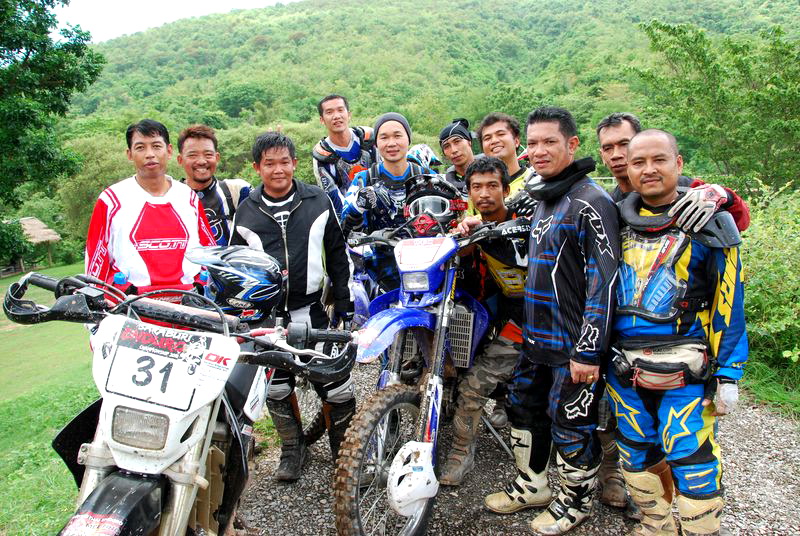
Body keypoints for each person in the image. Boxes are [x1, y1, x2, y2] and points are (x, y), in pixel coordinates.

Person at [484, 107, 620, 535]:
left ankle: (575, 501)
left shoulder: (591, 202)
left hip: (574, 344)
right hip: (535, 337)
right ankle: (533, 485)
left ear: (572, 144)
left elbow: (604, 283)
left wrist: (589, 350)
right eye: (533, 143)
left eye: (550, 142)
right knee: (523, 407)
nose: (539, 151)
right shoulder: (544, 197)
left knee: (571, 423)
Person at [609, 129, 747, 536]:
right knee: (634, 453)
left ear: (678, 163)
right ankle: (657, 525)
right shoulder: (611, 220)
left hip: (688, 366)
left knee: (691, 455)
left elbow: (728, 302)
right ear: (627, 169)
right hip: (622, 367)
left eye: (659, 160)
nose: (649, 169)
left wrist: (729, 374)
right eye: (638, 162)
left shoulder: (711, 221)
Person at [230, 131, 355, 481]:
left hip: (312, 310)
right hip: (268, 317)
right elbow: (237, 266)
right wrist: (240, 313)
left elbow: (338, 254)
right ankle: (293, 448)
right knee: (277, 387)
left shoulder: (317, 200)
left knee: (336, 384)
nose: (278, 170)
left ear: (295, 163)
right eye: (269, 163)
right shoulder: (246, 211)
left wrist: (344, 304)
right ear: (257, 168)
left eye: (284, 162)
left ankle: (344, 449)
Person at [439, 156, 530, 486]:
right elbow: (455, 259)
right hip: (508, 320)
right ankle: (461, 451)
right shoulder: (471, 228)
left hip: (547, 319)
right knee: (469, 382)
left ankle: (607, 471)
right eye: (476, 187)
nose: (484, 193)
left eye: (492, 185)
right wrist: (461, 238)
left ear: (506, 189)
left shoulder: (530, 220)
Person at [85, 119, 215, 300]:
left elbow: (209, 252)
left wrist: (202, 285)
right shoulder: (112, 199)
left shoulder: (188, 197)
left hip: (190, 303)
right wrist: (98, 301)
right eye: (140, 148)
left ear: (169, 150)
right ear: (129, 154)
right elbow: (96, 260)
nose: (150, 154)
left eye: (156, 146)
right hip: (132, 305)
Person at [596, 112, 750, 231]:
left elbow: (741, 222)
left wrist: (726, 196)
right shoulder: (609, 203)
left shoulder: (690, 189)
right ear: (601, 155)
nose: (616, 154)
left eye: (624, 144)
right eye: (608, 148)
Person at [341, 112, 431, 289]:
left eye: (397, 136)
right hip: (379, 274)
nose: (391, 143)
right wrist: (358, 206)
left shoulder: (428, 177)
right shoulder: (363, 180)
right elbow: (346, 232)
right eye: (384, 137)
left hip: (425, 269)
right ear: (376, 143)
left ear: (408, 139)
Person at [177, 124, 252, 246]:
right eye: (193, 155)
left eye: (208, 154)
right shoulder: (170, 198)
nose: (201, 161)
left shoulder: (238, 191)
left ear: (217, 157)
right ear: (180, 160)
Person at [312, 94, 378, 216]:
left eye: (340, 110)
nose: (336, 116)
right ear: (322, 120)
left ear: (349, 114)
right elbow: (332, 196)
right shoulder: (322, 154)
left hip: (380, 206)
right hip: (350, 216)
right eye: (329, 112)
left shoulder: (368, 139)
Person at [439, 117, 476, 188]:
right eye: (446, 146)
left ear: (469, 141)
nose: (453, 150)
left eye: (457, 141)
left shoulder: (493, 172)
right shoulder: (443, 186)